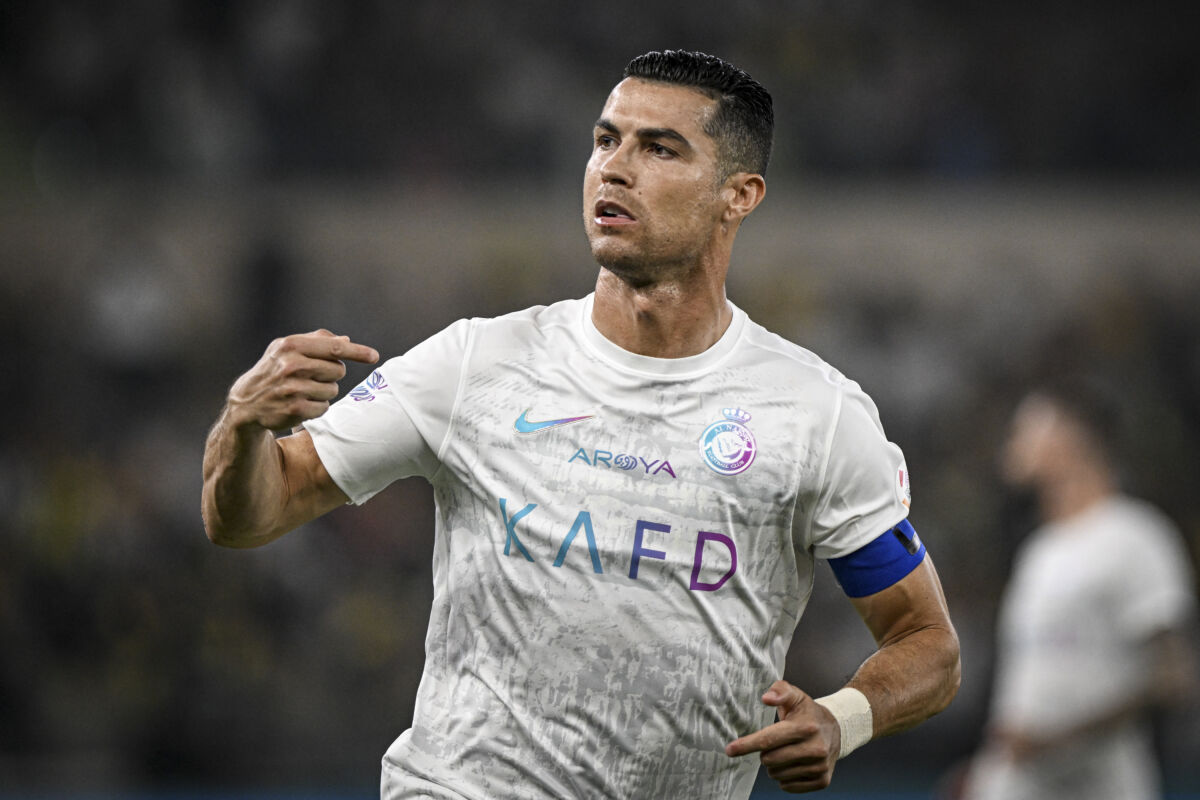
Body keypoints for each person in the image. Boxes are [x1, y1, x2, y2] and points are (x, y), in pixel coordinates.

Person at [202, 50, 960, 799]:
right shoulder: (476, 364)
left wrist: (841, 719)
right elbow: (249, 515)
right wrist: (243, 429)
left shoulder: (814, 414)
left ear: (740, 194)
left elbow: (927, 644)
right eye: (606, 141)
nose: (614, 168)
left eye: (659, 148)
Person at [959, 380, 1198, 800]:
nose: (1012, 445)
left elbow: (1173, 676)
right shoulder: (1040, 550)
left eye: (1025, 430)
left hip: (1100, 786)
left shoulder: (1137, 537)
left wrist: (1060, 738)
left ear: (1069, 436)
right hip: (1016, 783)